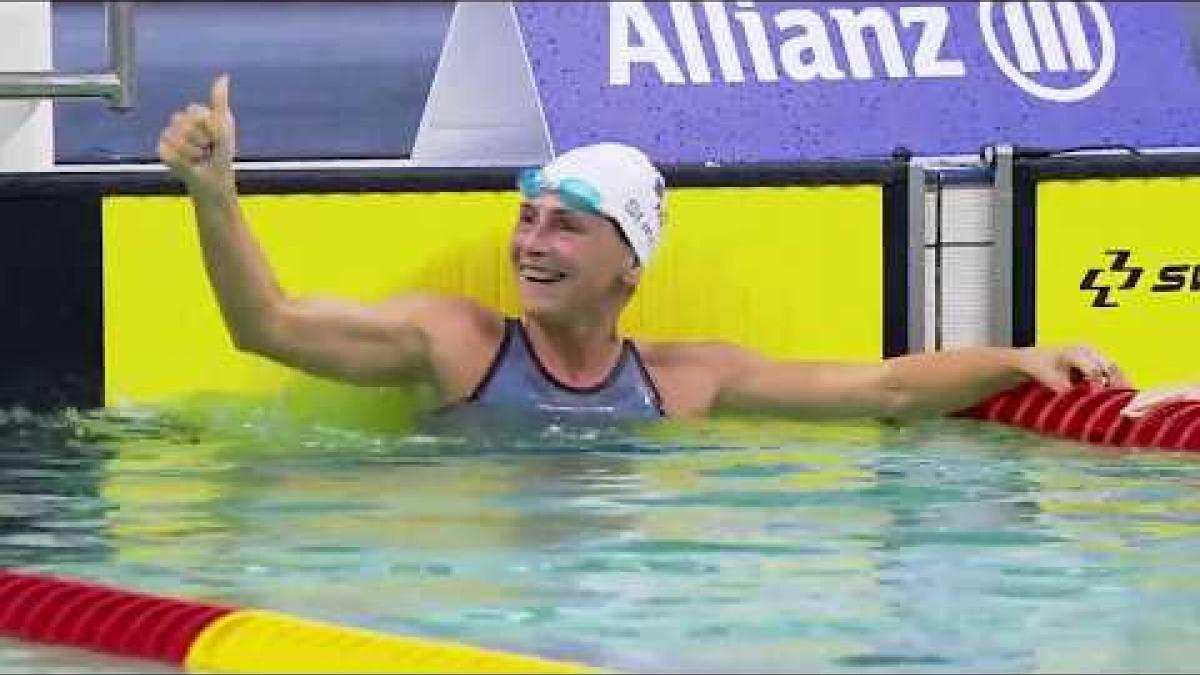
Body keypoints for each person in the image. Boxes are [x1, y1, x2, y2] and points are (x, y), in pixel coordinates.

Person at [157, 75, 1175, 425]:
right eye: (527, 217)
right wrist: (213, 193)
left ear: (628, 264)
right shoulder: (457, 344)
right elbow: (269, 327)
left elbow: (885, 390)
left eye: (566, 224)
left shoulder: (688, 382)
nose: (531, 243)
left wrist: (1020, 360)